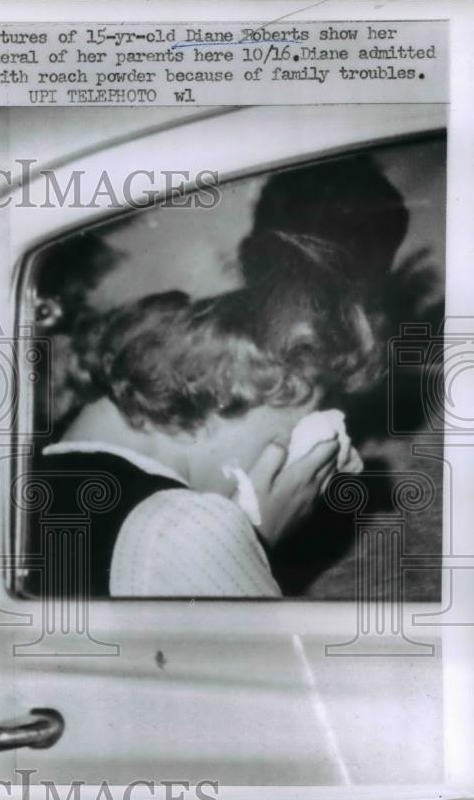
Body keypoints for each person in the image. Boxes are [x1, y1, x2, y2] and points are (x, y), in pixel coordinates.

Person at [26, 231, 380, 598]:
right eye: (292, 437)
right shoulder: (187, 531)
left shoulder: (27, 486)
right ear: (229, 382)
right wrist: (250, 542)